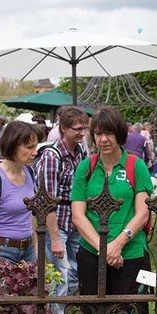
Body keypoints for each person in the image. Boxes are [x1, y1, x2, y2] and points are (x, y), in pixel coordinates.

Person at [71, 106, 152, 314]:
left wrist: (118, 243)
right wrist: (104, 248)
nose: (103, 139)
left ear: (119, 134)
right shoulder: (86, 167)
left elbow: (143, 212)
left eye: (109, 133)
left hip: (130, 254)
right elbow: (78, 214)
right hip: (92, 253)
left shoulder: (135, 166)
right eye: (98, 133)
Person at [36, 106, 88, 298]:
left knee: (74, 272)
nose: (82, 133)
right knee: (60, 277)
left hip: (76, 222)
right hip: (57, 224)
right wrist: (55, 238)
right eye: (77, 129)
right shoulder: (52, 156)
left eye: (84, 128)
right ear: (64, 129)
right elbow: (46, 201)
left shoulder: (80, 152)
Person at [0, 121, 40, 264]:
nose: (35, 152)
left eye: (36, 146)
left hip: (28, 250)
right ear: (13, 146)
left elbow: (31, 217)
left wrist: (37, 252)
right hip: (2, 251)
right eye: (29, 147)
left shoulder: (30, 172)